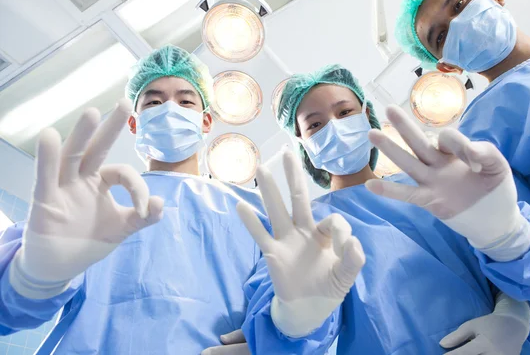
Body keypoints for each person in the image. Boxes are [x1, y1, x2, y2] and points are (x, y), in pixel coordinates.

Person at [0, 45, 364, 354]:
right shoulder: (93, 202)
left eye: (185, 100)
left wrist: (296, 319)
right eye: (154, 102)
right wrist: (31, 279)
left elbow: (285, 322)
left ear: (206, 121)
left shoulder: (254, 211)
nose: (169, 108)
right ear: (134, 124)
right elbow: (9, 311)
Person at [208, 65, 530, 354]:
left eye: (344, 111)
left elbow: (524, 270)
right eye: (315, 124)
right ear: (303, 144)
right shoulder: (305, 228)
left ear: (367, 115)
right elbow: (292, 333)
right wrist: (292, 320)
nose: (333, 126)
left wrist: (513, 314)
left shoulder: (438, 189)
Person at [394, 0, 530, 322]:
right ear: (446, 67)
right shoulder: (476, 137)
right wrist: (505, 236)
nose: (458, 24)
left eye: (459, 4)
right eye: (441, 36)